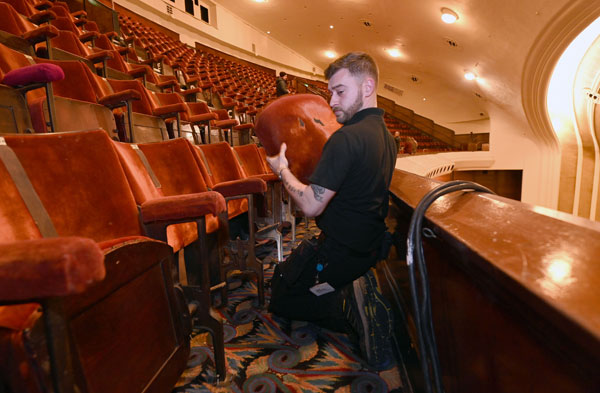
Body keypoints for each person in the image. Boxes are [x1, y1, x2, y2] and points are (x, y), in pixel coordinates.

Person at [266, 52, 397, 370]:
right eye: (330, 92)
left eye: (340, 91)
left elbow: (311, 206)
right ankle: (352, 284)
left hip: (340, 251)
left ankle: (347, 303)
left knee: (281, 295)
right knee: (294, 276)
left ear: (367, 86)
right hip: (366, 247)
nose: (332, 100)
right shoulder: (387, 137)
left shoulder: (347, 138)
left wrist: (282, 170)